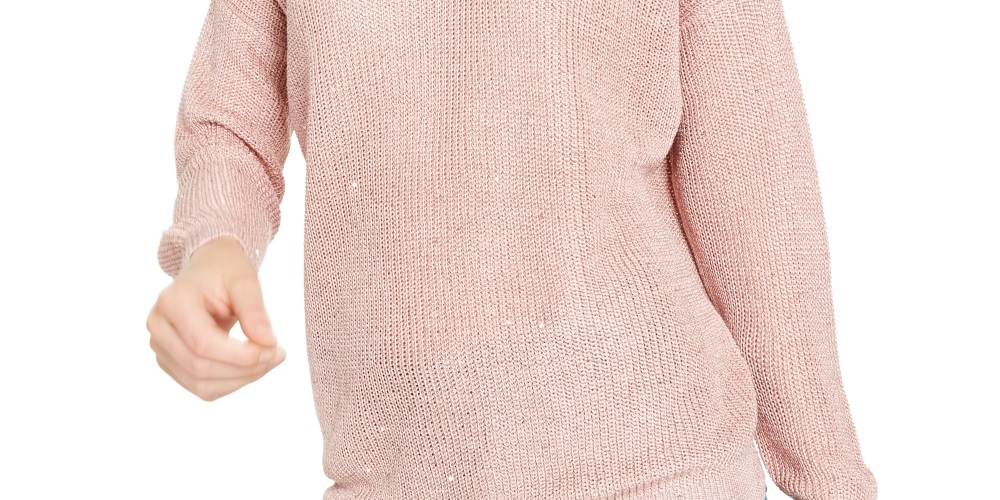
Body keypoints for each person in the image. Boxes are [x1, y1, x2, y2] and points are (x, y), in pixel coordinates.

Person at [146, 0, 878, 499]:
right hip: (392, 473)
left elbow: (757, 205)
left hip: (658, 466)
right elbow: (230, 121)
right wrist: (216, 243)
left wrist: (831, 479)